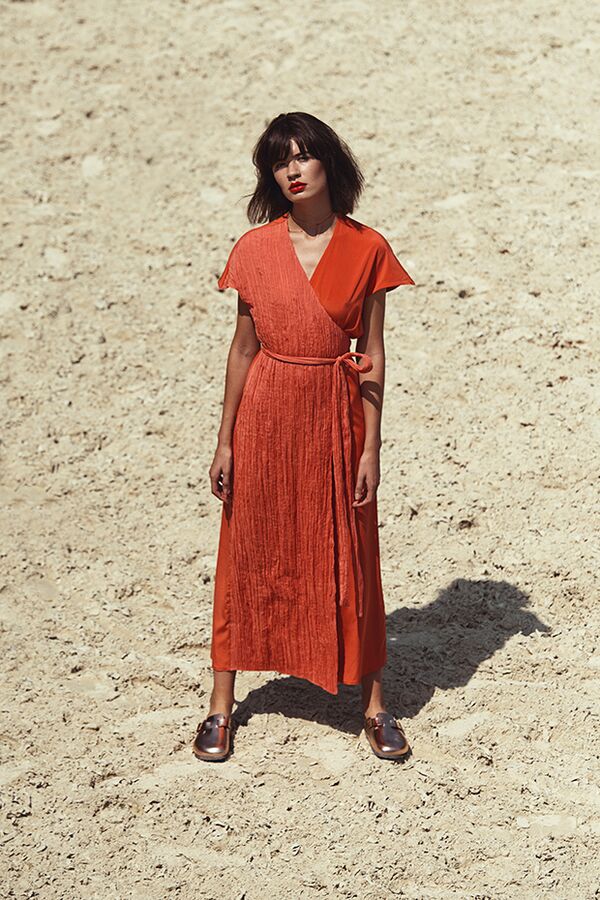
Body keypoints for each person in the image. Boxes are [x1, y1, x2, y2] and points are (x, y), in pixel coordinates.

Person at [192, 112, 415, 763]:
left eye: (302, 156)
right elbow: (242, 349)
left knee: (354, 551)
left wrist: (372, 446)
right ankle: (220, 705)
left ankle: (375, 706)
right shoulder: (254, 248)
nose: (291, 170)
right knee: (247, 549)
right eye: (279, 160)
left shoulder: (367, 248)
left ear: (327, 163)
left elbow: (372, 354)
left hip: (336, 414)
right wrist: (225, 441)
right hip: (265, 414)